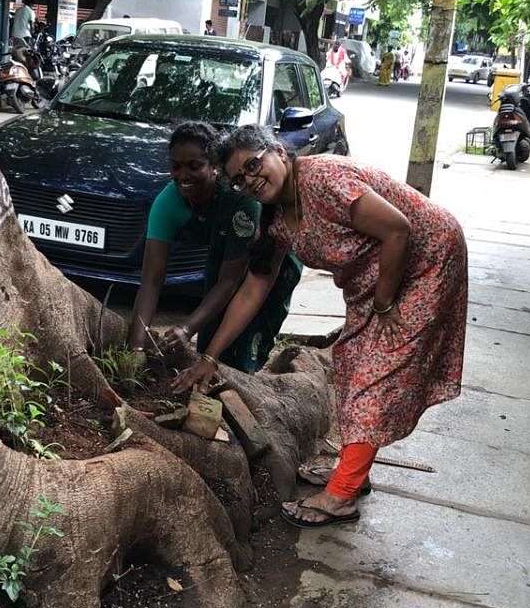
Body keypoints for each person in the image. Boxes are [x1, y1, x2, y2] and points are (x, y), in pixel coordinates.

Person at [174, 125, 468, 529]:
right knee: (350, 362)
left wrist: (384, 304)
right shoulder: (276, 221)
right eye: (239, 179)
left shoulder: (324, 179)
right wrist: (210, 357)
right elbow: (252, 289)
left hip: (426, 259)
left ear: (278, 151)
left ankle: (342, 495)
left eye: (254, 165)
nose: (251, 180)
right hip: (378, 276)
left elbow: (398, 229)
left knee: (376, 377)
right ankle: (352, 471)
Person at [127, 121, 302, 373]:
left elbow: (232, 281)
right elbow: (152, 279)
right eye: (176, 167)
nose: (183, 175)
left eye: (194, 166)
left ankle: (241, 387)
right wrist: (137, 347)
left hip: (271, 259)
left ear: (215, 168)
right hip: (223, 253)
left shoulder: (240, 198)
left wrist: (187, 328)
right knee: (208, 338)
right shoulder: (167, 203)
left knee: (245, 343)